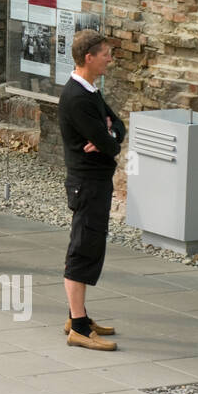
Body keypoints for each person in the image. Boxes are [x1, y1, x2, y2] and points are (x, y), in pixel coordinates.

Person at [58, 29, 125, 351]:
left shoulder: (90, 91)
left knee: (91, 244)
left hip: (96, 181)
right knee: (83, 247)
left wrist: (109, 134)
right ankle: (80, 327)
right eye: (106, 54)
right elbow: (110, 146)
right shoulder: (77, 97)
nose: (110, 59)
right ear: (89, 57)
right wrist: (107, 138)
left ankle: (77, 315)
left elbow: (117, 126)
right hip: (86, 183)